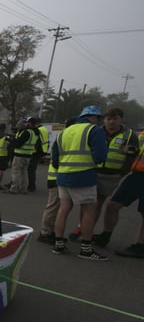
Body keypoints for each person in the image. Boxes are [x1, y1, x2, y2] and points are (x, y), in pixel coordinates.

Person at [71, 107, 139, 245]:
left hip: (112, 175)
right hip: (93, 171)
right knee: (89, 203)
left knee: (97, 203)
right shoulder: (97, 131)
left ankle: (88, 232)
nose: (111, 122)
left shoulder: (130, 135)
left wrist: (122, 173)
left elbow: (132, 156)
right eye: (108, 119)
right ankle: (82, 228)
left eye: (115, 119)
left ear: (121, 119)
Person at [51, 105, 108, 260]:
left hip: (63, 175)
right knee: (89, 210)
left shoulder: (65, 131)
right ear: (94, 117)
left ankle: (58, 244)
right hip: (83, 176)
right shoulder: (94, 130)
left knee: (64, 208)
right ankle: (86, 249)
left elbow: (54, 158)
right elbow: (101, 155)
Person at [94, 129, 144, 258]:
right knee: (113, 205)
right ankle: (105, 235)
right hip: (137, 174)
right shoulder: (142, 135)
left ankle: (140, 246)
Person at [38, 118, 76, 244]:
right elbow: (56, 160)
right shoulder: (66, 138)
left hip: (58, 177)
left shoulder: (63, 137)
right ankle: (45, 233)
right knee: (53, 207)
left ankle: (51, 231)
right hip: (56, 177)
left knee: (58, 207)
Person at [6, 117, 41, 194]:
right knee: (24, 172)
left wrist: (11, 142)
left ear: (30, 123)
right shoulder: (36, 133)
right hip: (28, 155)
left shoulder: (27, 132)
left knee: (16, 172)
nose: (26, 124)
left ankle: (14, 188)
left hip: (19, 155)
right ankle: (23, 188)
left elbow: (18, 144)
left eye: (27, 122)